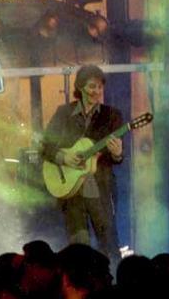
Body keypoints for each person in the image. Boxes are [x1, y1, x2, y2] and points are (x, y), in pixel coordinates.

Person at [40, 65, 125, 262]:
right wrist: (64, 158)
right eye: (92, 86)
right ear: (80, 87)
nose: (97, 91)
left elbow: (117, 158)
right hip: (71, 191)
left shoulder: (112, 115)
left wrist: (118, 154)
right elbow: (45, 146)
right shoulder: (64, 113)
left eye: (100, 87)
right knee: (78, 249)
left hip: (99, 189)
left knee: (108, 245)